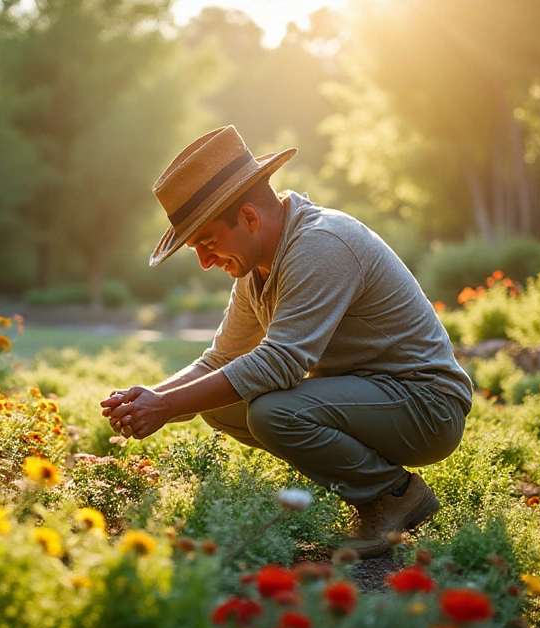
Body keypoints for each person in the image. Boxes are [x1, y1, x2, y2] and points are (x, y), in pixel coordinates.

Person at [100, 126, 473, 558]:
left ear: (250, 218)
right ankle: (365, 478)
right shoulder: (256, 266)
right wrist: (149, 398)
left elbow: (281, 363)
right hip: (372, 399)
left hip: (425, 405)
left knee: (272, 411)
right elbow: (220, 358)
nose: (204, 263)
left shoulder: (321, 244)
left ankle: (393, 495)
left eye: (207, 243)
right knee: (218, 402)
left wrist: (164, 407)